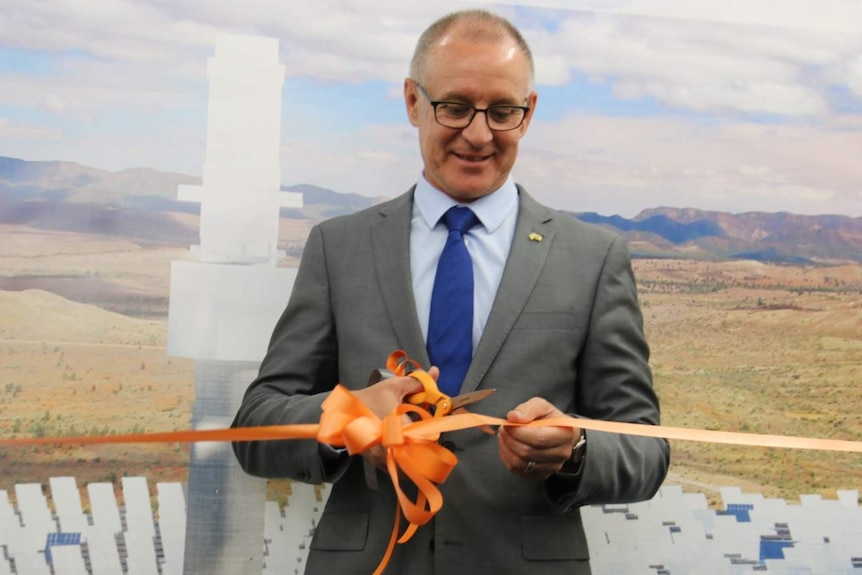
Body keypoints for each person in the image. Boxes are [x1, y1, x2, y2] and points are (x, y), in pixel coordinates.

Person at [232, 9, 669, 575]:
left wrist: (575, 450)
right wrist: (346, 419)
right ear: (413, 102)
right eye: (456, 107)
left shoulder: (592, 257)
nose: (479, 134)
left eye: (502, 111)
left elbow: (646, 450)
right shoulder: (339, 247)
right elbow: (255, 427)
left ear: (528, 113)